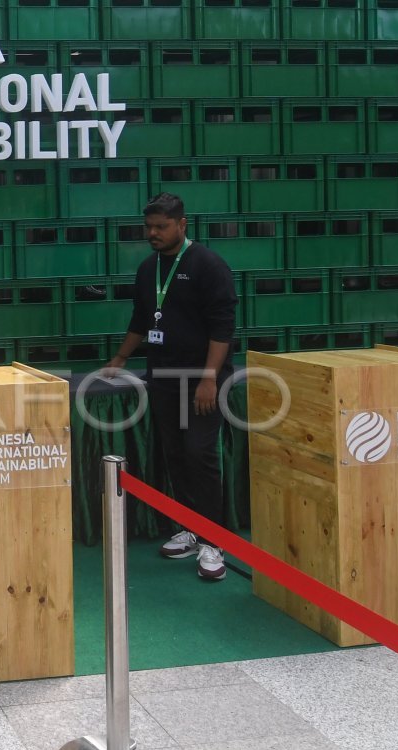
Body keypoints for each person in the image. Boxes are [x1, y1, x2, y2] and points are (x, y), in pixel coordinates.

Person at [104, 192, 238, 581]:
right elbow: (142, 319)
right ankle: (190, 529)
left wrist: (209, 378)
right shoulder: (149, 268)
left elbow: (223, 327)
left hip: (202, 381)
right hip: (163, 378)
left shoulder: (209, 265)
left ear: (182, 224)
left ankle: (214, 542)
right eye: (148, 227)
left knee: (199, 454)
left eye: (161, 227)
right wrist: (120, 359)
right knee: (175, 455)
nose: (153, 233)